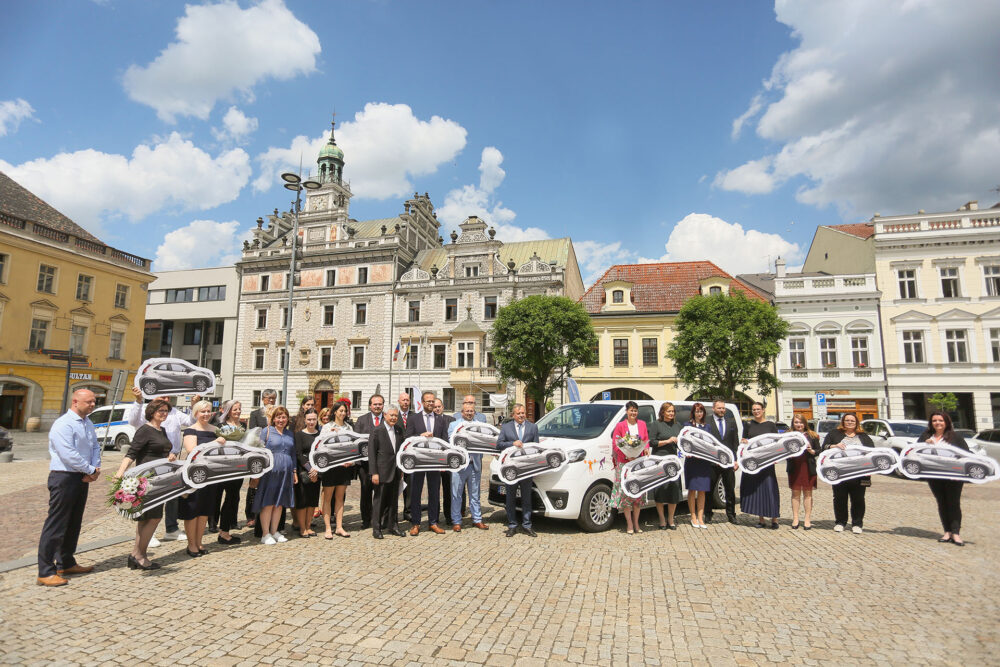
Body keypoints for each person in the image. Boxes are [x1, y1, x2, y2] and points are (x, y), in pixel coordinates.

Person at [37, 389, 101, 587]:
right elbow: (67, 453)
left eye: (94, 402)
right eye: (89, 402)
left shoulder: (87, 422)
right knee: (57, 524)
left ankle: (66, 562)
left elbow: (95, 447)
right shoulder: (63, 424)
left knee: (74, 522)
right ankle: (46, 570)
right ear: (75, 402)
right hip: (64, 476)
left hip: (81, 477)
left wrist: (95, 468)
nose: (93, 405)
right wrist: (89, 468)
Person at [125, 386, 195, 543]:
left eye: (168, 398)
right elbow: (133, 421)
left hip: (171, 457)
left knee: (172, 495)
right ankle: (149, 535)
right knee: (153, 496)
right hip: (151, 460)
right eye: (163, 398)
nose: (166, 401)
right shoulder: (146, 411)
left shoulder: (174, 412)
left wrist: (193, 406)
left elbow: (190, 421)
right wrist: (138, 400)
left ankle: (171, 528)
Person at [113, 399, 173, 570]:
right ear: (151, 412)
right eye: (160, 410)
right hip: (146, 480)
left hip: (159, 478)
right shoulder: (145, 430)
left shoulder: (162, 430)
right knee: (153, 517)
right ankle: (139, 555)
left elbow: (162, 452)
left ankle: (136, 554)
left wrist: (170, 457)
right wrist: (120, 473)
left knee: (147, 518)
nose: (163, 413)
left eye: (166, 410)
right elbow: (132, 453)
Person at [180, 401, 226, 557]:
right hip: (194, 474)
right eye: (202, 411)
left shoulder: (215, 430)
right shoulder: (190, 431)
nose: (206, 414)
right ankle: (191, 544)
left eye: (208, 411)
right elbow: (192, 451)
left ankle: (199, 542)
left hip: (210, 474)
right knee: (192, 510)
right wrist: (214, 443)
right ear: (196, 413)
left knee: (205, 510)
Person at [919, 411, 970, 546]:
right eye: (934, 420)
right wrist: (924, 444)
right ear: (931, 423)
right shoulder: (926, 436)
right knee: (942, 503)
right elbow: (915, 452)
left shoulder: (955, 437)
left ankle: (956, 533)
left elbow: (966, 454)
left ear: (946, 422)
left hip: (953, 477)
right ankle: (947, 532)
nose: (937, 423)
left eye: (940, 420)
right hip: (934, 476)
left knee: (953, 503)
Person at [821, 412, 875, 534]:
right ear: (843, 422)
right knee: (839, 498)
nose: (849, 423)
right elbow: (824, 447)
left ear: (856, 423)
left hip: (858, 473)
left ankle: (857, 523)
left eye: (852, 421)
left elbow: (872, 452)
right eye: (847, 420)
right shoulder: (834, 434)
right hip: (839, 472)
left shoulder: (863, 436)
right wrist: (834, 446)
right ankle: (840, 522)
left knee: (858, 499)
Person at [405, 391, 449, 535]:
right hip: (418, 462)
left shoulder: (440, 420)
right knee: (415, 492)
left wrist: (443, 463)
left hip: (434, 462)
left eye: (432, 401)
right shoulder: (413, 419)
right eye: (428, 401)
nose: (431, 404)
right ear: (422, 403)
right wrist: (420, 436)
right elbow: (407, 438)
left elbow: (445, 442)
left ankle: (433, 522)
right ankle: (416, 523)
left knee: (434, 492)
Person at [253, 406, 297, 544]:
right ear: (273, 419)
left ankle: (274, 531)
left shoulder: (290, 434)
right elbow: (258, 451)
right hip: (270, 471)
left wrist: (294, 471)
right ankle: (265, 533)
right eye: (278, 417)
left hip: (286, 472)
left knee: (279, 503)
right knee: (268, 502)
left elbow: (293, 454)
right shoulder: (266, 431)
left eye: (284, 417)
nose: (281, 420)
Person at [497, 403, 538, 537]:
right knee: (510, 498)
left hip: (526, 469)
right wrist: (512, 443)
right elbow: (499, 444)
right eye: (518, 413)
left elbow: (537, 448)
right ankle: (512, 525)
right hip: (511, 469)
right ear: (513, 415)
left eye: (523, 413)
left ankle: (527, 525)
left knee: (526, 498)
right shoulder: (506, 427)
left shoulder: (533, 427)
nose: (521, 415)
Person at [448, 403, 489, 532]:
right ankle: (456, 521)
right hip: (459, 466)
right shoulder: (453, 425)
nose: (469, 413)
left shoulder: (480, 425)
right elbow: (450, 442)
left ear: (474, 412)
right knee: (456, 495)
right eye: (467, 411)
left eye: (471, 411)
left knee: (475, 495)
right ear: (462, 412)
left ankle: (477, 519)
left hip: (474, 465)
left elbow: (486, 440)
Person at [740, 402, 781, 529]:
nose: (756, 411)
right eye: (754, 410)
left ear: (763, 410)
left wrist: (776, 457)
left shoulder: (770, 425)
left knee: (770, 489)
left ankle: (774, 519)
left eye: (758, 409)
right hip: (754, 463)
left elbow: (777, 443)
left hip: (767, 463)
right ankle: (761, 519)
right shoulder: (748, 425)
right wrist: (743, 441)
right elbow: (744, 440)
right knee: (757, 490)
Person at [369, 404, 408, 539]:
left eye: (396, 415)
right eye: (391, 415)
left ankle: (393, 526)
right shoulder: (377, 431)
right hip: (381, 472)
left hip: (396, 471)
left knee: (393, 502)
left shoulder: (398, 430)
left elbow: (401, 450)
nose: (393, 418)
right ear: (385, 415)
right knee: (379, 501)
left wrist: (402, 468)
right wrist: (374, 472)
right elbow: (372, 454)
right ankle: (377, 528)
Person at [611, 401, 649, 535]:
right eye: (631, 410)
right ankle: (629, 523)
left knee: (637, 493)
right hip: (625, 463)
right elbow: (616, 444)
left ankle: (637, 522)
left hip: (638, 464)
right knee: (627, 493)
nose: (633, 413)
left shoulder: (643, 424)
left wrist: (645, 450)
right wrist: (628, 455)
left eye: (635, 410)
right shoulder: (620, 426)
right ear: (626, 411)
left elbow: (646, 441)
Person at [210, 399, 244, 545]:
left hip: (238, 467)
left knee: (233, 498)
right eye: (235, 409)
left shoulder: (243, 426)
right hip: (222, 467)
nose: (238, 411)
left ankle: (225, 531)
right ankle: (213, 524)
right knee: (217, 496)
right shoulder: (220, 426)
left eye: (239, 409)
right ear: (229, 410)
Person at [319, 400, 353, 538]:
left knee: (340, 498)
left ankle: (339, 526)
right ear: (335, 412)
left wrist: (351, 461)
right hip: (331, 467)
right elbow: (320, 446)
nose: (343, 413)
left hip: (344, 467)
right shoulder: (327, 427)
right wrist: (329, 436)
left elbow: (353, 447)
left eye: (344, 411)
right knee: (328, 497)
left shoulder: (349, 428)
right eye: (340, 411)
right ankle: (328, 528)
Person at [353, 394, 385, 529]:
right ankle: (366, 520)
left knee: (380, 493)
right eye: (375, 404)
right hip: (365, 465)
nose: (377, 406)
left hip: (382, 464)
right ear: (370, 405)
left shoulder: (387, 419)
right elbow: (355, 442)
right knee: (365, 492)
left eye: (380, 404)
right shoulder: (361, 420)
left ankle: (379, 519)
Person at [649, 402, 683, 530]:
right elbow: (652, 442)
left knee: (673, 490)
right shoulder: (656, 425)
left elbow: (682, 443)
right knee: (660, 490)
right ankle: (662, 519)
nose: (671, 413)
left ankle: (671, 519)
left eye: (673, 411)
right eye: (669, 411)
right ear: (662, 412)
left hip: (673, 462)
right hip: (659, 461)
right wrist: (667, 441)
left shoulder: (677, 425)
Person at [705, 398, 739, 524]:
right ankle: (708, 514)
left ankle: (731, 514)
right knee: (709, 489)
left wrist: (736, 460)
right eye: (719, 408)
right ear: (713, 408)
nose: (722, 410)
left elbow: (735, 442)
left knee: (729, 489)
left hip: (728, 462)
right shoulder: (707, 422)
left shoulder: (731, 422)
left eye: (723, 408)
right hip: (712, 462)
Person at [786, 414, 819, 530]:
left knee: (808, 494)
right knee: (795, 494)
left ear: (805, 423)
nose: (799, 425)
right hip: (794, 467)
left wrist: (812, 450)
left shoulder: (812, 435)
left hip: (808, 467)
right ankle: (795, 518)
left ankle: (807, 519)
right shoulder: (788, 435)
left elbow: (819, 450)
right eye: (796, 422)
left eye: (801, 422)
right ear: (793, 424)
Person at [684, 402, 713, 529]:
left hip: (704, 462)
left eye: (701, 411)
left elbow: (711, 443)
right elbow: (684, 442)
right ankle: (693, 516)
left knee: (702, 490)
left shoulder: (707, 427)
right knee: (692, 489)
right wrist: (687, 452)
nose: (699, 413)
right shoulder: (687, 425)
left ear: (704, 413)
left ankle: (701, 517)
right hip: (692, 462)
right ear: (693, 412)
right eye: (697, 411)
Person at [293, 410, 321, 538]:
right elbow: (298, 454)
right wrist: (310, 469)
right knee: (303, 501)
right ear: (305, 420)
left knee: (312, 501)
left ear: (317, 420)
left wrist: (316, 470)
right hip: (304, 471)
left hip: (317, 472)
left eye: (314, 419)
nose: (311, 422)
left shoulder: (320, 435)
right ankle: (302, 528)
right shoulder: (299, 435)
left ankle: (309, 526)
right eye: (309, 419)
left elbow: (322, 454)